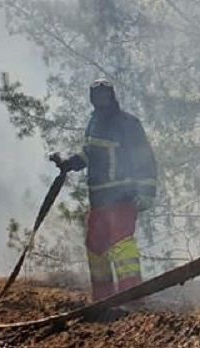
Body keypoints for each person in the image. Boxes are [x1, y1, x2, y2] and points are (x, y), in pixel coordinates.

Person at [56, 80, 157, 300]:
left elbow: (145, 159)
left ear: (112, 96)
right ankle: (102, 301)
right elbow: (89, 153)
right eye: (96, 96)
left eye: (104, 95)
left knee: (122, 247)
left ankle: (131, 298)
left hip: (122, 197)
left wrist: (147, 192)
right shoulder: (94, 122)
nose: (100, 100)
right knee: (96, 248)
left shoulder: (128, 124)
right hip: (99, 200)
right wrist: (69, 163)